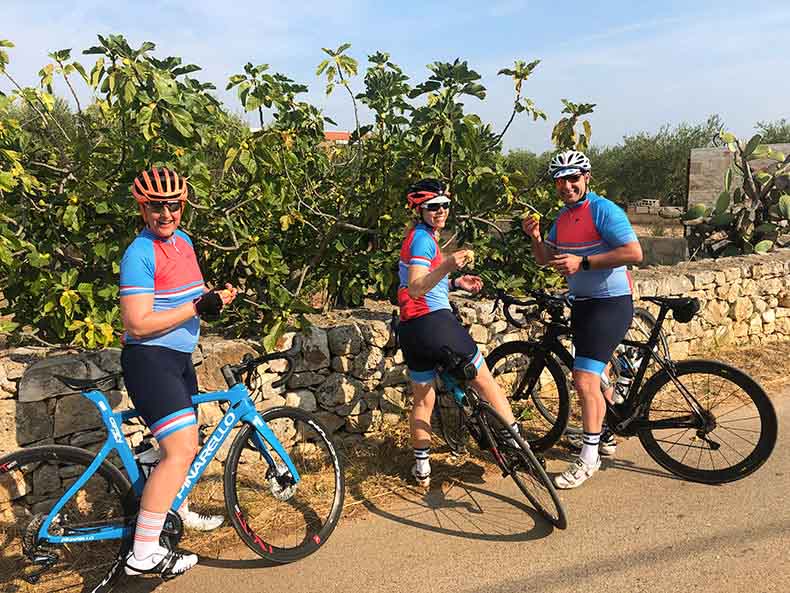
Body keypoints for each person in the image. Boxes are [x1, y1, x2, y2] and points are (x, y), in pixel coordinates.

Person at [120, 167, 238, 576]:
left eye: (173, 205)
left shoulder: (184, 242)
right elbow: (137, 323)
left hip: (178, 359)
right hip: (150, 361)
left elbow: (193, 297)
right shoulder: (139, 254)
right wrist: (194, 309)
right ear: (143, 208)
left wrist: (214, 300)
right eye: (156, 206)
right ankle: (144, 553)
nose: (165, 214)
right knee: (181, 449)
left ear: (182, 206)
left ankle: (175, 509)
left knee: (185, 441)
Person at [522, 150, 642, 489]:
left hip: (611, 302)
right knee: (596, 375)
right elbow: (546, 259)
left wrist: (583, 263)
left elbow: (634, 252)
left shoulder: (603, 210)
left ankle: (588, 460)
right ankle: (604, 435)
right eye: (561, 181)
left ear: (586, 177)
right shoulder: (563, 218)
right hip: (584, 304)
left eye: (573, 178)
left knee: (584, 378)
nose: (567, 186)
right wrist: (534, 236)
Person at [396, 178, 520, 488]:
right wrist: (449, 265)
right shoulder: (423, 240)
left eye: (445, 205)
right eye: (433, 207)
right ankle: (519, 446)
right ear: (419, 209)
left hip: (410, 331)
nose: (441, 211)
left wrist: (455, 284)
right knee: (484, 379)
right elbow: (415, 287)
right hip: (434, 322)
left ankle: (422, 468)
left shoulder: (417, 238)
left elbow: (419, 284)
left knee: (423, 400)